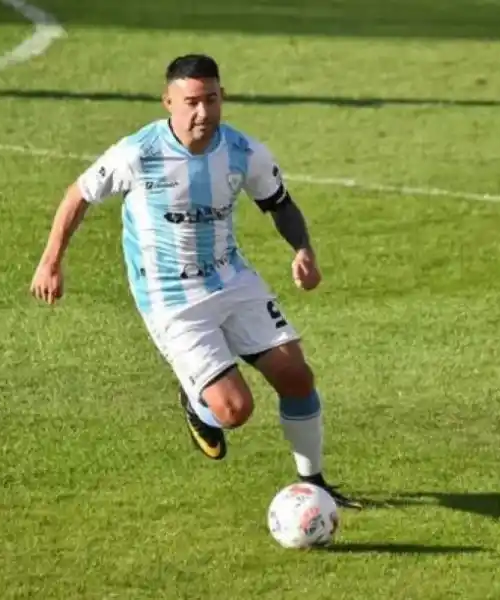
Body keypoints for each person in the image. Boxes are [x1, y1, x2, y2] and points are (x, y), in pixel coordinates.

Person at [29, 53, 361, 508]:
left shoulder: (243, 151)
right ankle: (196, 401)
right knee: (234, 410)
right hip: (170, 297)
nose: (203, 112)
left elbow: (279, 203)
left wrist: (302, 250)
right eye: (191, 102)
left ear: (223, 97)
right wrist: (51, 261)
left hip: (231, 278)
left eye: (211, 99)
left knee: (296, 375)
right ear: (168, 102)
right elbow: (79, 195)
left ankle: (315, 484)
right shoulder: (138, 153)